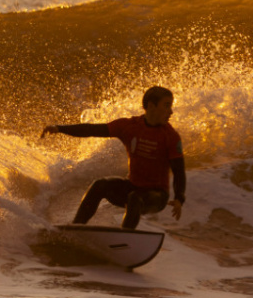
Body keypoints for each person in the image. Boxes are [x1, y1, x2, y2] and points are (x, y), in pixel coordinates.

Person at [41, 86, 186, 229]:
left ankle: (125, 236)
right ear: (151, 106)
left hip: (156, 196)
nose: (171, 111)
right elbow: (92, 130)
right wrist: (59, 128)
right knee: (100, 185)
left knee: (135, 198)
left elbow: (179, 170)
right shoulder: (130, 126)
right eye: (166, 106)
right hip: (133, 187)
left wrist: (179, 198)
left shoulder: (170, 136)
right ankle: (76, 228)